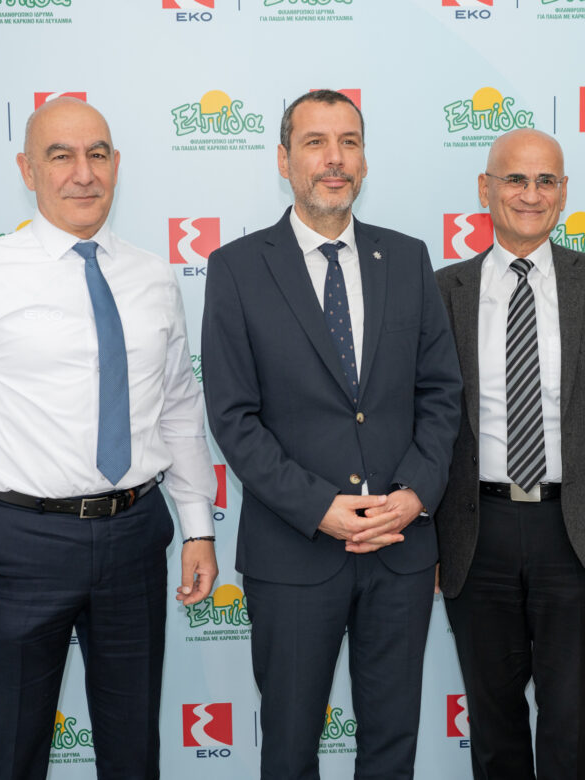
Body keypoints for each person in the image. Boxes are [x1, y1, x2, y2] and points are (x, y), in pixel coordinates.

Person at [0, 97, 219, 780]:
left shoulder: (154, 277)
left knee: (133, 750)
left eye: (97, 154)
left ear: (117, 165)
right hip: (22, 542)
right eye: (61, 156)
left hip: (136, 535)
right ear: (27, 170)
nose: (83, 173)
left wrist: (198, 527)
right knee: (11, 751)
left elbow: (179, 409)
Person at [201, 89, 462, 779]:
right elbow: (233, 417)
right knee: (289, 749)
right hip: (294, 551)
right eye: (315, 142)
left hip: (400, 548)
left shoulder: (407, 258)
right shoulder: (237, 268)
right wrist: (320, 507)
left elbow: (441, 393)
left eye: (349, 142)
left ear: (365, 160)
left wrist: (415, 495)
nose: (334, 159)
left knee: (391, 746)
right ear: (284, 159)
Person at [434, 128, 585, 779]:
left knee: (568, 718)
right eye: (515, 179)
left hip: (577, 532)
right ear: (485, 189)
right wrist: (423, 531)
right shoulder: (442, 290)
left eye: (546, 181)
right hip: (476, 532)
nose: (530, 195)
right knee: (492, 721)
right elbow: (425, 418)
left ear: (564, 192)